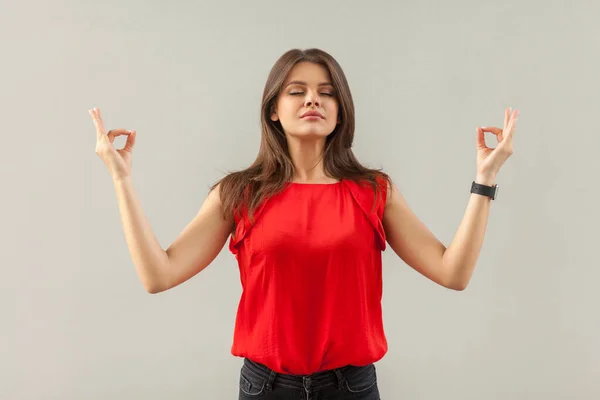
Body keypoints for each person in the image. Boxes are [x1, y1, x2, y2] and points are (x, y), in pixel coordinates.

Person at [89, 48, 519, 400]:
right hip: (265, 388)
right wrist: (121, 179)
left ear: (340, 111)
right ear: (274, 110)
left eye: (326, 93)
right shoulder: (240, 193)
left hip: (351, 388)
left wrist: (485, 179)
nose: (313, 99)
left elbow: (453, 272)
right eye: (297, 91)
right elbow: (157, 275)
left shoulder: (372, 192)